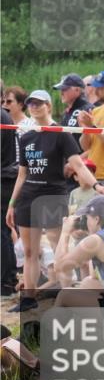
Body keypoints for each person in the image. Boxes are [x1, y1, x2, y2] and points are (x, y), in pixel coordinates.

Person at [5, 90, 104, 312]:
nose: (35, 107)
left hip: (52, 196)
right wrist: (12, 205)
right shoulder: (26, 137)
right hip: (28, 198)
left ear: (49, 106)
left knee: (58, 245)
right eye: (32, 104)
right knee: (31, 252)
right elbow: (22, 175)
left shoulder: (61, 134)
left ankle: (68, 293)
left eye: (39, 104)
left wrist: (97, 185)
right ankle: (29, 299)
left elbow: (78, 165)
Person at [1, 101, 17, 296]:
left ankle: (6, 282)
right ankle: (7, 280)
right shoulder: (4, 115)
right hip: (5, 176)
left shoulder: (2, 116)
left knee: (2, 233)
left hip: (3, 178)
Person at [52, 74, 92, 154]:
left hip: (83, 164)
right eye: (60, 90)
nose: (61, 93)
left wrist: (77, 162)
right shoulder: (66, 112)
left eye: (64, 89)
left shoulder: (88, 110)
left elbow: (96, 145)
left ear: (77, 90)